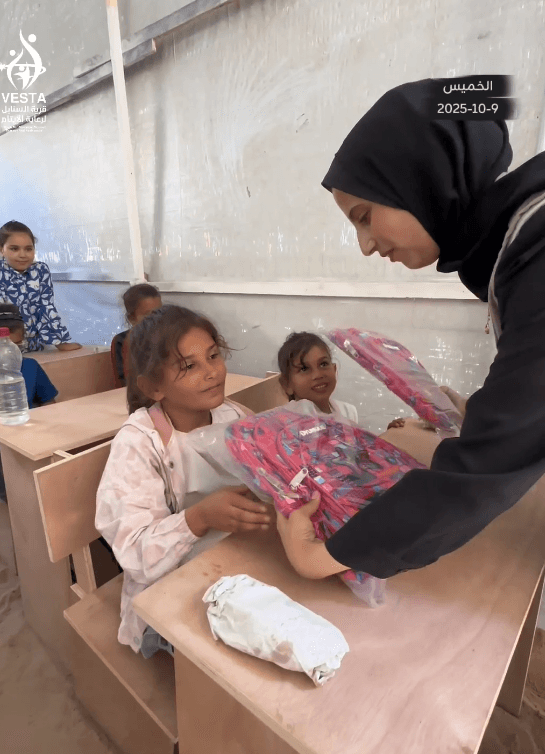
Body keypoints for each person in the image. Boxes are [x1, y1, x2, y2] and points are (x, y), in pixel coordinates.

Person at [275, 78, 545, 582]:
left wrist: (325, 555)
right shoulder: (520, 243)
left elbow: (483, 472)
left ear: (420, 178)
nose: (366, 245)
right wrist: (484, 413)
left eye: (364, 216)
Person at [95, 305, 272, 657]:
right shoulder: (140, 443)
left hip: (233, 561)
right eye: (190, 367)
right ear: (153, 387)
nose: (212, 373)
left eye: (213, 356)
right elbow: (134, 553)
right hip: (166, 593)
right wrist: (200, 518)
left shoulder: (232, 416)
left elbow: (268, 472)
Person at [0, 303, 58, 501]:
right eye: (0, 345)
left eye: (17, 346)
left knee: (63, 479)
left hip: (35, 439)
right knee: (23, 495)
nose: (9, 352)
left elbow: (50, 404)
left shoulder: (30, 366)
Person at [0, 221, 81, 352]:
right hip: (2, 347)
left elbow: (46, 307)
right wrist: (8, 348)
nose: (22, 254)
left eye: (28, 249)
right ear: (1, 249)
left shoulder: (40, 270)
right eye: (14, 249)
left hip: (35, 346)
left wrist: (59, 341)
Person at [277, 331, 359, 421]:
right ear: (286, 384)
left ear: (334, 369)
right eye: (304, 369)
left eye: (323, 364)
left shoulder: (348, 412)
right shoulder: (286, 422)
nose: (318, 375)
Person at [111, 283, 162, 388]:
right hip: (137, 397)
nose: (155, 319)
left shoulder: (169, 337)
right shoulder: (122, 341)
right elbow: (124, 381)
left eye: (159, 312)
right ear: (132, 318)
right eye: (148, 315)